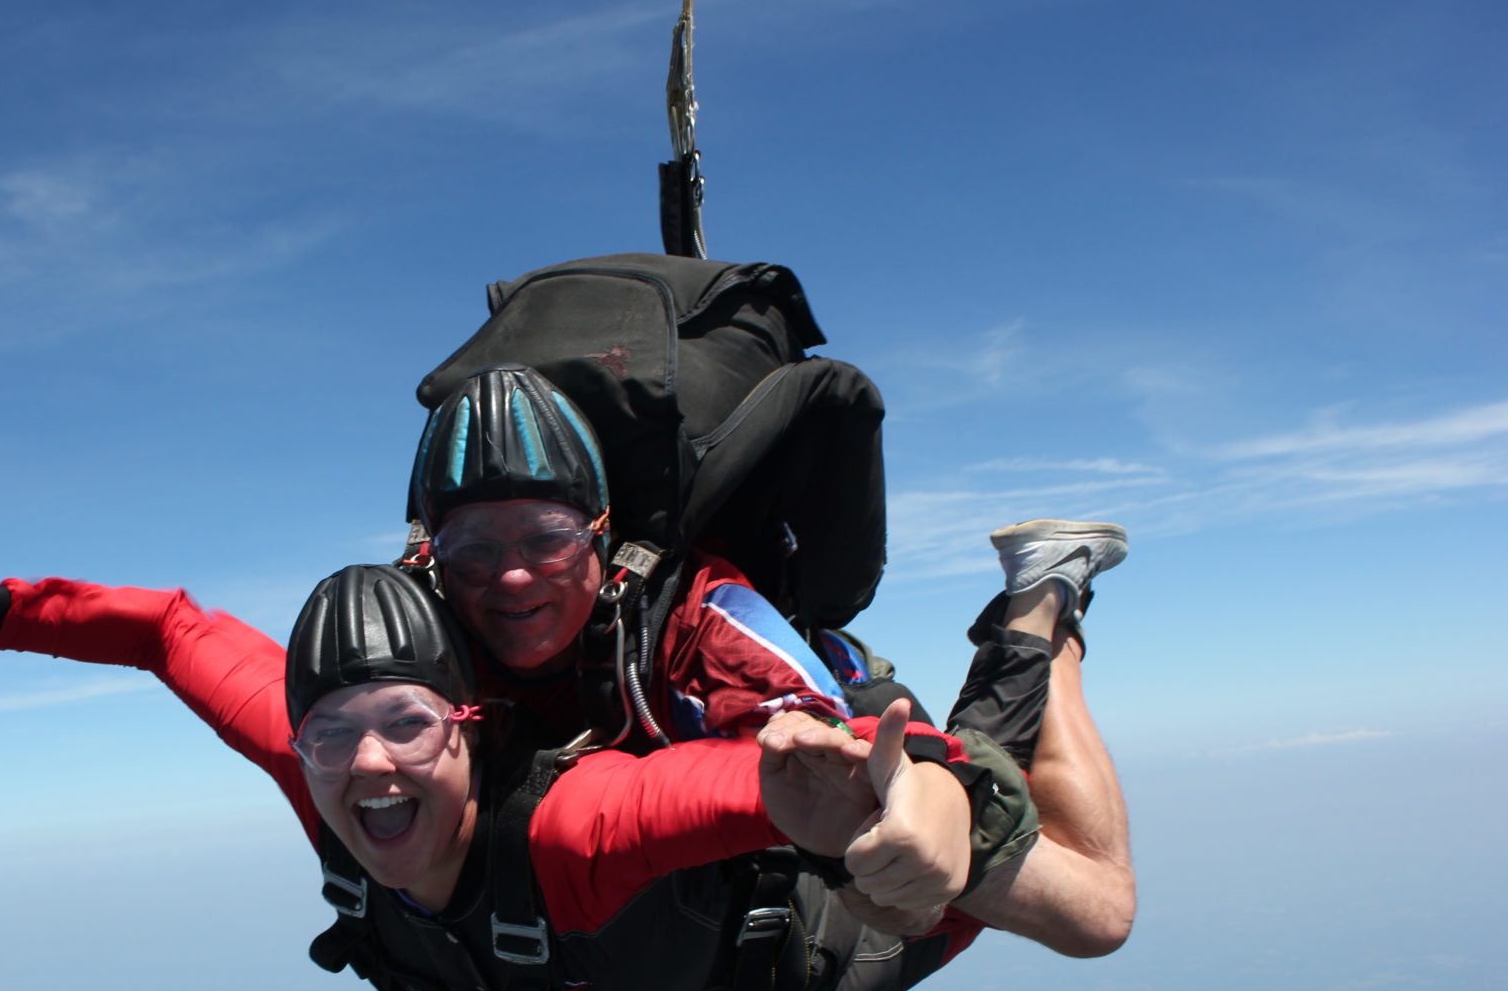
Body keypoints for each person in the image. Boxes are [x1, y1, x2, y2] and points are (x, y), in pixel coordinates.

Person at [0, 562, 1040, 991]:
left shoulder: (577, 831)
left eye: (408, 725)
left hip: (810, 953)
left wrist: (919, 787)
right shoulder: (310, 761)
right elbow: (166, 632)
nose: (369, 763)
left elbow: (738, 794)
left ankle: (1039, 613)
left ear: (468, 728)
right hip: (632, 989)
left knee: (1072, 898)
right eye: (333, 733)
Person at [406, 366, 1134, 954]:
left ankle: (1043, 609)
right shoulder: (420, 625)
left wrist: (917, 826)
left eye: (546, 536)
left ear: (601, 533)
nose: (511, 576)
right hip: (646, 920)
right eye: (473, 548)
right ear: (430, 558)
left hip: (827, 817)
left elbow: (814, 740)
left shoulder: (702, 616)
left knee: (1095, 914)